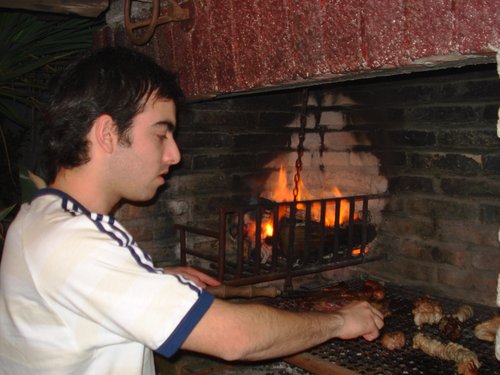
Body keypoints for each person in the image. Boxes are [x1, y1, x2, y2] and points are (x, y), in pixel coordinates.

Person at [0, 47, 384, 375]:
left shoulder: (40, 212)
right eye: (160, 134)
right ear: (107, 134)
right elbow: (236, 338)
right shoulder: (75, 244)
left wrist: (150, 279)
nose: (175, 154)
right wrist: (339, 320)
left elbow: (77, 288)